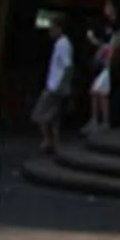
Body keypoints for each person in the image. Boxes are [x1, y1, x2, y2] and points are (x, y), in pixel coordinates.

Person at [33, 16, 76, 155]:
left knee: (40, 114)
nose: (50, 32)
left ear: (59, 29)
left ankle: (47, 140)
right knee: (54, 116)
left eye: (52, 29)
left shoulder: (63, 44)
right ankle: (56, 143)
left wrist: (61, 85)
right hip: (55, 84)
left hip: (54, 86)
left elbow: (68, 66)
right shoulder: (61, 44)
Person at [85, 0, 120, 136]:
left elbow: (114, 44)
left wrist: (109, 57)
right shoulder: (104, 25)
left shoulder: (117, 26)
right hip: (102, 62)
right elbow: (101, 43)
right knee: (94, 91)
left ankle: (105, 122)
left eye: (109, 7)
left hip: (108, 64)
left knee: (102, 93)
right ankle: (95, 120)